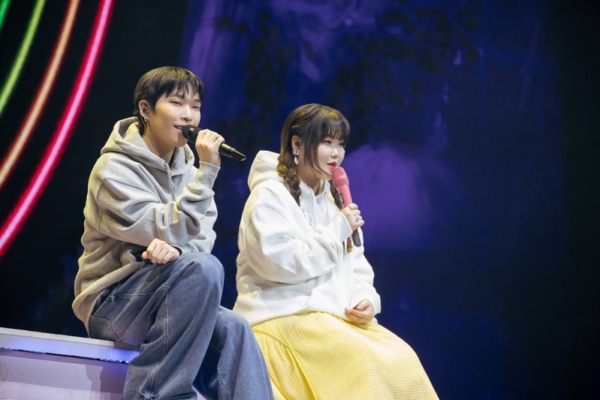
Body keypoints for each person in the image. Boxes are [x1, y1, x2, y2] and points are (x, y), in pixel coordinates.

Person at [72, 66, 273, 400]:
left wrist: (180, 251)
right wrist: (208, 172)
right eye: (177, 103)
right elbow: (163, 227)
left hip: (169, 298)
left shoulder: (190, 172)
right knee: (204, 269)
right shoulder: (113, 170)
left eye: (195, 106)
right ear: (146, 109)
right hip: (112, 304)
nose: (188, 115)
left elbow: (201, 238)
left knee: (234, 327)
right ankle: (155, 394)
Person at [233, 104, 438, 399]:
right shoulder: (269, 196)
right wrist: (336, 230)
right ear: (297, 143)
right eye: (326, 142)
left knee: (403, 360)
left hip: (331, 319)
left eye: (340, 144)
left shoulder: (332, 201)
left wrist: (365, 298)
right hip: (282, 315)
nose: (336, 153)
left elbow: (356, 265)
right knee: (363, 363)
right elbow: (278, 263)